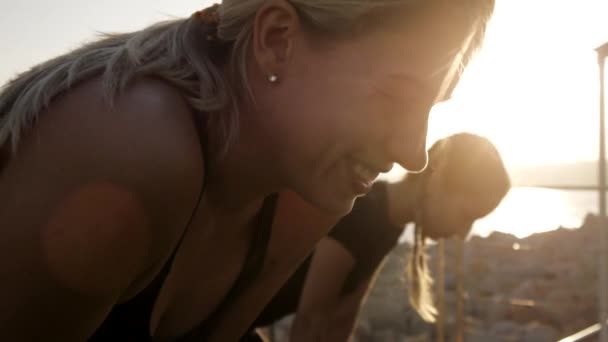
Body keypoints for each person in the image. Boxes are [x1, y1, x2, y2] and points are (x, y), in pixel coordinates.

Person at [0, 1, 495, 340]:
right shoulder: (130, 151)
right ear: (276, 39)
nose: (414, 153)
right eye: (396, 98)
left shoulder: (308, 192)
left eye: (432, 108)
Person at [245, 132, 511, 341]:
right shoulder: (362, 213)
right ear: (437, 183)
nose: (464, 234)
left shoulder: (388, 221)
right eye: (466, 215)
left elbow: (342, 318)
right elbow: (310, 322)